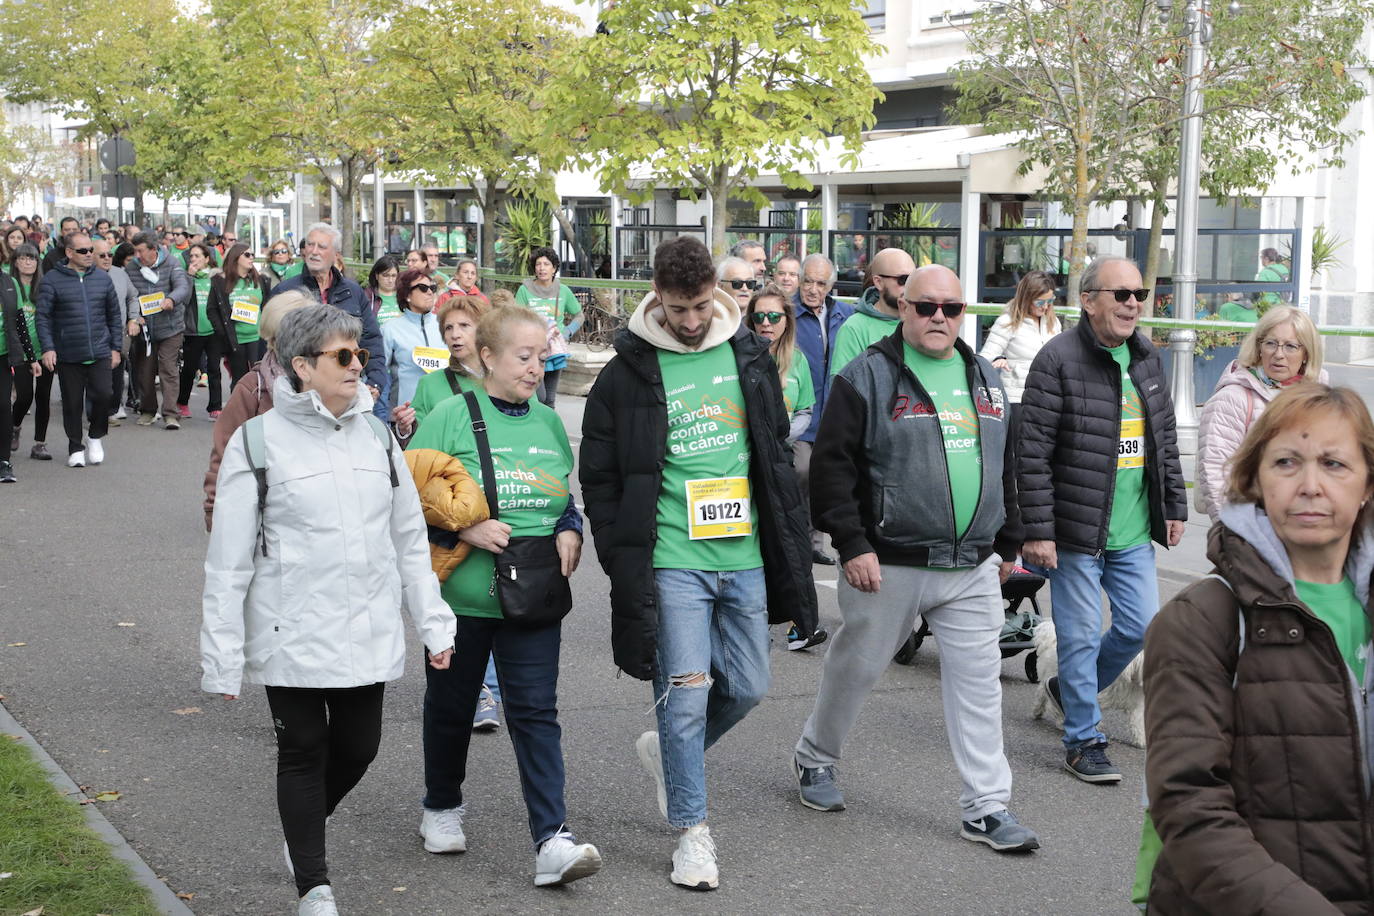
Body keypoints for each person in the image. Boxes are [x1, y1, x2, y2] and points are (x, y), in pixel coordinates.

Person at [201, 304, 457, 916]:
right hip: (289, 626)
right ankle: (313, 886)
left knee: (360, 747)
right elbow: (228, 560)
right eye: (342, 356)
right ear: (302, 367)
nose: (356, 366)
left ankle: (302, 832)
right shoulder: (257, 441)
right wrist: (221, 656)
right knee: (303, 748)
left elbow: (408, 539)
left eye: (359, 355)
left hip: (366, 623)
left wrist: (433, 621)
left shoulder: (377, 435)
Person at [579, 235, 817, 891]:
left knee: (748, 686)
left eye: (701, 306)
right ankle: (692, 832)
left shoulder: (746, 354)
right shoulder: (627, 371)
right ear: (657, 297)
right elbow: (597, 473)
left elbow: (769, 449)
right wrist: (619, 542)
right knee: (685, 698)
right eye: (678, 308)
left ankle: (668, 756)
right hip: (672, 559)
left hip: (741, 557)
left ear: (716, 294)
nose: (690, 321)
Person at [793, 264, 1039, 852]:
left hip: (970, 566)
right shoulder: (868, 376)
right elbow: (831, 469)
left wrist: (1008, 542)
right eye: (926, 306)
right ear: (902, 307)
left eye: (951, 309)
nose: (938, 318)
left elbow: (1006, 462)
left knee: (980, 686)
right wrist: (851, 543)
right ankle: (816, 757)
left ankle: (986, 806)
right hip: (889, 561)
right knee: (857, 667)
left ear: (964, 314)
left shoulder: (984, 376)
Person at [1144, 383, 1374, 913]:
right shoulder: (1203, 619)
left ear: (1367, 485)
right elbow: (1190, 805)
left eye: (1335, 465)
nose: (1310, 485)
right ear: (1254, 481)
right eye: (1287, 462)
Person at [406, 305, 603, 887]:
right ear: (486, 357)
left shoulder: (546, 422)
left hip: (535, 595)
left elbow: (560, 496)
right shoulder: (447, 416)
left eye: (542, 356)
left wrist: (571, 525)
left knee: (536, 713)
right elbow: (403, 500)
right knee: (450, 707)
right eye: (524, 357)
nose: (536, 368)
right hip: (461, 599)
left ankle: (553, 840)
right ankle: (441, 806)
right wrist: (461, 529)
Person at [1018, 255, 1187, 783]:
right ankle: (1084, 740)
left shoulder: (1147, 358)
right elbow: (1032, 454)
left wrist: (1175, 506)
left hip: (1133, 529)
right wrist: (1038, 530)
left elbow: (1165, 439)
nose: (1132, 304)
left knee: (1140, 627)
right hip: (1073, 531)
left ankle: (1069, 692)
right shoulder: (1057, 359)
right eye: (1120, 294)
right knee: (1082, 634)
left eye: (1139, 295)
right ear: (1089, 301)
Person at [746, 282, 828, 652]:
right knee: (756, 547)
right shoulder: (741, 358)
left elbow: (806, 411)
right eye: (759, 316)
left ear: (786, 320)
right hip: (750, 465)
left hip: (783, 460)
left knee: (792, 547)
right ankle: (753, 622)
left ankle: (802, 626)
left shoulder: (798, 361)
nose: (766, 323)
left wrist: (779, 437)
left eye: (774, 316)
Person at [1196, 305, 1325, 522]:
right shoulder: (1233, 398)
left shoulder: (1320, 397)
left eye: (1291, 346)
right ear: (1259, 347)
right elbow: (1215, 472)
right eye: (1271, 343)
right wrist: (1233, 535)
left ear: (1306, 353)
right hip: (1254, 531)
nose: (1278, 354)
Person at [202, 290, 316, 530]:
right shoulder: (252, 387)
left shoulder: (325, 381)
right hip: (266, 516)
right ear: (273, 338)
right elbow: (223, 455)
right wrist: (215, 511)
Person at [270, 223, 388, 416]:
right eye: (310, 245)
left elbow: (372, 339)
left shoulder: (353, 292)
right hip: (300, 396)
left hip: (346, 396)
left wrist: (375, 382)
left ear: (336, 254)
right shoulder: (285, 292)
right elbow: (269, 346)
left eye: (322, 247)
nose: (314, 252)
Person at [34, 232, 123, 467]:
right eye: (83, 251)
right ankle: (75, 447)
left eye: (90, 250)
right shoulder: (52, 279)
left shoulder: (103, 279)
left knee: (105, 394)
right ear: (69, 253)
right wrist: (48, 348)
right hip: (68, 353)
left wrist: (116, 347)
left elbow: (114, 315)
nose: (88, 255)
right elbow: (43, 317)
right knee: (73, 403)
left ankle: (95, 436)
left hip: (100, 350)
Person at [792, 252, 854, 565]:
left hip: (834, 414)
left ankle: (816, 542)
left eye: (820, 283)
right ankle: (802, 539)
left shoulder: (845, 314)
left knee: (825, 477)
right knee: (802, 471)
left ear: (830, 286)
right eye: (807, 281)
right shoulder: (786, 313)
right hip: (802, 412)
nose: (812, 288)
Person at [124, 230, 190, 429]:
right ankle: (147, 410)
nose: (137, 256)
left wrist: (171, 299)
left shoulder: (172, 263)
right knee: (145, 371)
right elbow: (129, 296)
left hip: (171, 328)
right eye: (135, 251)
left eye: (141, 251)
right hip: (144, 330)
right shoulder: (131, 268)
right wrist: (135, 317)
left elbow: (182, 286)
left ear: (153, 250)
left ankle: (170, 413)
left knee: (168, 369)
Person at [977, 270, 1061, 415]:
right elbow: (985, 359)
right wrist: (998, 359)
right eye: (1040, 302)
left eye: (1050, 301)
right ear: (1026, 298)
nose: (1045, 306)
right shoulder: (1007, 322)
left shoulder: (1053, 323)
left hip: (1047, 399)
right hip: (1017, 400)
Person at [829, 247, 917, 377]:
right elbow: (842, 389)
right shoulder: (854, 329)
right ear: (878, 282)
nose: (909, 287)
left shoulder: (921, 321)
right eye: (903, 280)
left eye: (913, 279)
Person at [514, 246, 583, 407]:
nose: (542, 268)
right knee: (539, 397)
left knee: (550, 399)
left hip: (554, 351)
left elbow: (579, 315)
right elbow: (515, 318)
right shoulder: (525, 290)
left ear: (554, 268)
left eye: (546, 264)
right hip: (531, 351)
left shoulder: (563, 290)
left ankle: (549, 430)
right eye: (538, 264)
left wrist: (567, 332)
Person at [411, 295, 488, 428]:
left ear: (483, 331)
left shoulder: (507, 378)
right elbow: (419, 440)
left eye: (464, 325)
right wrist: (405, 428)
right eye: (448, 328)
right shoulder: (429, 384)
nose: (455, 335)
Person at [7, 244, 52, 461]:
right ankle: (14, 427)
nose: (28, 262)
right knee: (24, 396)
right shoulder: (9, 285)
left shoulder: (44, 286)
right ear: (15, 262)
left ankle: (39, 444)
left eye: (33, 259)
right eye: (24, 258)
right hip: (20, 352)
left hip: (43, 350)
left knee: (43, 396)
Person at [175, 243, 229, 420]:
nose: (193, 259)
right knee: (189, 370)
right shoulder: (186, 277)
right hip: (193, 331)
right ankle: (182, 403)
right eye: (191, 256)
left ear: (207, 259)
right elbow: (184, 300)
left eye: (198, 256)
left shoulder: (216, 278)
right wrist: (189, 277)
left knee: (214, 369)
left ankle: (215, 406)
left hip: (213, 331)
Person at [380, 268, 442, 419]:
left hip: (443, 415)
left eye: (432, 288)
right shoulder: (390, 329)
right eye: (423, 288)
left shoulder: (445, 324)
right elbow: (379, 373)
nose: (430, 293)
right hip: (407, 417)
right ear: (407, 295)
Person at [213, 243, 272, 391]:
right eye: (247, 255)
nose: (251, 258)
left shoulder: (261, 280)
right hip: (235, 339)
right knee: (239, 381)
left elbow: (266, 307)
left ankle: (257, 411)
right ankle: (239, 412)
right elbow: (212, 310)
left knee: (259, 379)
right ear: (235, 258)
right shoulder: (222, 282)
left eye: (252, 255)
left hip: (257, 338)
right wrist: (223, 332)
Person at [0, 261, 39, 482]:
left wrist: (31, 357)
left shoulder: (9, 282)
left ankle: (4, 461)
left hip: (3, 356)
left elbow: (20, 322)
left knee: (3, 405)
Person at [94, 238, 138, 426]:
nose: (107, 258)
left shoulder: (120, 274)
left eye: (110, 255)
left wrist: (133, 318)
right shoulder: (85, 276)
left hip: (117, 333)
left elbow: (133, 296)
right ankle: (94, 414)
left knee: (116, 374)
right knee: (95, 376)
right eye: (102, 255)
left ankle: (111, 410)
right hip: (93, 334)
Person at [364, 255, 402, 323]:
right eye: (385, 275)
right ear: (376, 276)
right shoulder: (367, 296)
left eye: (394, 276)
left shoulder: (404, 294)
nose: (390, 280)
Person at [1252, 246, 1290, 311]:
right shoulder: (1284, 269)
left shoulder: (1265, 272)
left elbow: (1257, 290)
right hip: (1282, 303)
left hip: (1268, 305)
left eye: (1261, 257)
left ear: (1266, 259)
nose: (1261, 260)